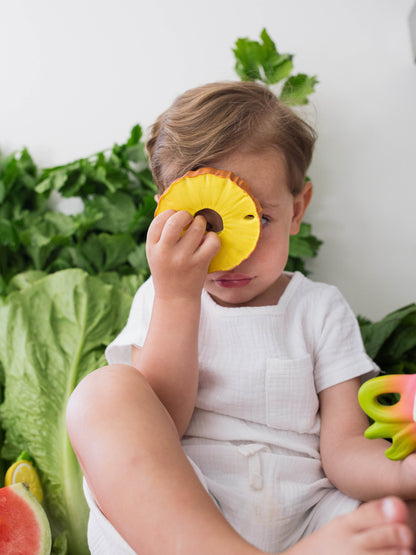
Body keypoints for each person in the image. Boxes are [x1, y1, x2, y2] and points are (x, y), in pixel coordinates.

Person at [66, 81, 415, 554]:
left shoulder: (319, 309)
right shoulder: (160, 297)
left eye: (260, 221)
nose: (229, 253)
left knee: (398, 520)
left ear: (298, 209)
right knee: (103, 394)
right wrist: (178, 298)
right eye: (203, 224)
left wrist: (402, 473)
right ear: (166, 215)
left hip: (309, 525)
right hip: (178, 527)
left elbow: (344, 452)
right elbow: (164, 420)